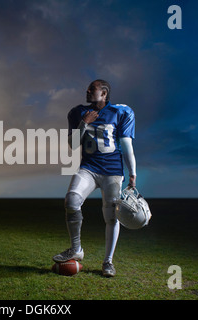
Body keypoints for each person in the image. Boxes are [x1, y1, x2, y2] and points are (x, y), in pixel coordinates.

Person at [53, 79, 137, 277]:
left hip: (112, 171)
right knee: (72, 201)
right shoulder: (77, 112)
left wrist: (132, 172)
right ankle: (76, 249)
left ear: (104, 93)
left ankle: (108, 262)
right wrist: (84, 123)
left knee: (111, 216)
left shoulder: (120, 112)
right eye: (88, 89)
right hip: (89, 168)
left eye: (93, 89)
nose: (88, 91)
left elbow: (126, 145)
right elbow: (73, 145)